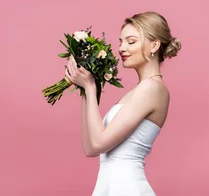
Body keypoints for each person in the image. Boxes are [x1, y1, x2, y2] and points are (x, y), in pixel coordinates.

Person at [64, 11, 181, 196]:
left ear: (155, 45)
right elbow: (90, 148)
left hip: (128, 189)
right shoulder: (137, 91)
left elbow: (99, 144)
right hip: (109, 187)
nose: (121, 48)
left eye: (131, 41)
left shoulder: (153, 88)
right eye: (121, 42)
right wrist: (85, 87)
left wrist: (90, 87)